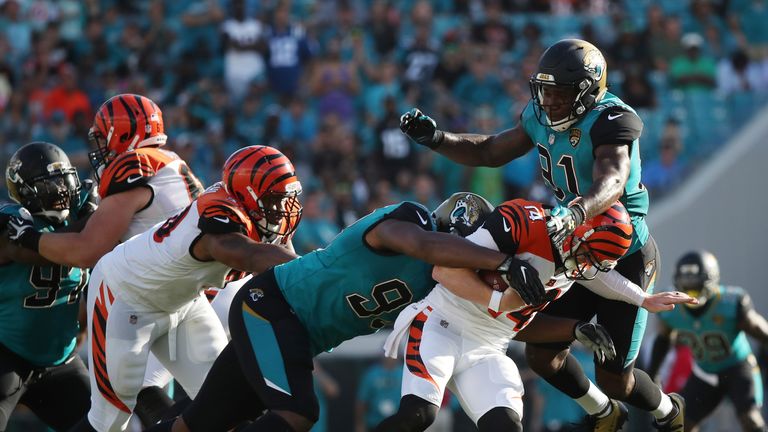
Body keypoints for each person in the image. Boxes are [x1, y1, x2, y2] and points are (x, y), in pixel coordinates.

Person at [400, 38, 684, 431]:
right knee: (542, 354)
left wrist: (578, 210)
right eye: (545, 91)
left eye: (560, 93)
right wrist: (437, 139)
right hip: (567, 238)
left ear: (588, 90)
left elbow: (613, 179)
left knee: (615, 378)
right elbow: (490, 151)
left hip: (618, 248)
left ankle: (668, 411)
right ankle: (603, 413)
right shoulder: (540, 113)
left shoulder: (613, 118)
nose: (548, 102)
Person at [146, 192, 599, 432]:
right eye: (467, 244)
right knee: (298, 413)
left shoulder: (444, 281)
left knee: (198, 423)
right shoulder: (411, 221)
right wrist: (500, 261)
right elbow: (423, 245)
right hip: (272, 305)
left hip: (297, 335)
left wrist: (574, 329)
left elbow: (499, 321)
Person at [34, 145, 301, 432]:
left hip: (184, 302)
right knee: (109, 420)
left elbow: (284, 256)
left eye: (287, 199)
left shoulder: (257, 214)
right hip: (125, 296)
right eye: (275, 200)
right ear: (249, 195)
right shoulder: (219, 215)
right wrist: (317, 269)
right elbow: (249, 254)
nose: (283, 210)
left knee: (227, 401)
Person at [374, 197, 696, 432]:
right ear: (578, 234)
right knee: (418, 415)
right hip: (443, 322)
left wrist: (641, 299)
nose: (587, 266)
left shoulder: (576, 260)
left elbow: (599, 276)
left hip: (489, 346)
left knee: (506, 426)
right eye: (589, 255)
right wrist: (501, 290)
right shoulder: (524, 222)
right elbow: (444, 270)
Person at [5, 93, 207, 427]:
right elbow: (87, 246)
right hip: (190, 295)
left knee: (118, 415)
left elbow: (85, 249)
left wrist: (32, 236)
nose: (99, 146)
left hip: (150, 305)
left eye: (103, 135)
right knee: (211, 401)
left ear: (125, 134)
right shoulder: (169, 162)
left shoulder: (133, 168)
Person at [0, 142, 95, 431]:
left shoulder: (80, 220)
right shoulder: (11, 226)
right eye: (50, 184)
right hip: (7, 353)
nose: (62, 190)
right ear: (26, 191)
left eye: (64, 179)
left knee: (108, 425)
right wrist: (96, 219)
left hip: (60, 361)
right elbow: (52, 251)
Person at [648, 251, 768, 432]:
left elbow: (761, 331)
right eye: (686, 287)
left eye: (695, 287)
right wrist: (652, 374)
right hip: (705, 372)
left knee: (751, 420)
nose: (691, 294)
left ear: (712, 280)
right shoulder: (672, 309)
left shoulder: (730, 302)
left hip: (737, 367)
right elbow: (664, 340)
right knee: (679, 425)